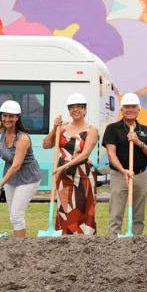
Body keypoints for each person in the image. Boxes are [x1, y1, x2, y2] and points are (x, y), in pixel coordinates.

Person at [102, 92, 147, 236]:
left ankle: (135, 245)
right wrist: (123, 170)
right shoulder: (112, 129)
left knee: (139, 216)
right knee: (116, 214)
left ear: (139, 110)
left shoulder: (145, 130)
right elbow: (111, 154)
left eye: (134, 107)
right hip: (119, 175)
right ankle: (113, 246)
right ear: (121, 110)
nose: (130, 110)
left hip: (140, 175)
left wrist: (139, 143)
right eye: (127, 107)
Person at [43, 93, 98, 235]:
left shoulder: (92, 129)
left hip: (83, 175)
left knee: (82, 209)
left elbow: (85, 154)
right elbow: (46, 145)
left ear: (85, 110)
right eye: (72, 107)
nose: (76, 110)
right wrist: (54, 129)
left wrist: (63, 167)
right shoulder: (63, 126)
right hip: (64, 176)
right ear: (69, 110)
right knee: (65, 208)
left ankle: (85, 242)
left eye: (80, 107)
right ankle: (64, 240)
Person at [0, 100, 41, 238]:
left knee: (16, 215)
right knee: (13, 214)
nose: (7, 119)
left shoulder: (22, 138)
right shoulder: (2, 129)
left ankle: (20, 248)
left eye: (11, 116)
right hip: (12, 178)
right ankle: (18, 245)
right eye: (4, 116)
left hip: (27, 178)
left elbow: (16, 166)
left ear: (18, 117)